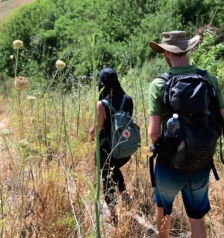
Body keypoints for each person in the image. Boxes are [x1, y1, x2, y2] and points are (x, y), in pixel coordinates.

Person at [148, 31, 224, 238]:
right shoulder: (209, 79)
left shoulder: (159, 84)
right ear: (188, 50)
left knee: (163, 209)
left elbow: (154, 134)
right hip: (201, 162)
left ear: (166, 53)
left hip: (169, 165)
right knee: (197, 217)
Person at [90, 67, 133, 222]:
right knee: (114, 168)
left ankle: (113, 214)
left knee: (106, 179)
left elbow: (97, 130)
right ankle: (125, 196)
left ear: (101, 84)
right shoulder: (128, 99)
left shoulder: (102, 104)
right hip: (125, 149)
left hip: (107, 150)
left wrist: (90, 134)